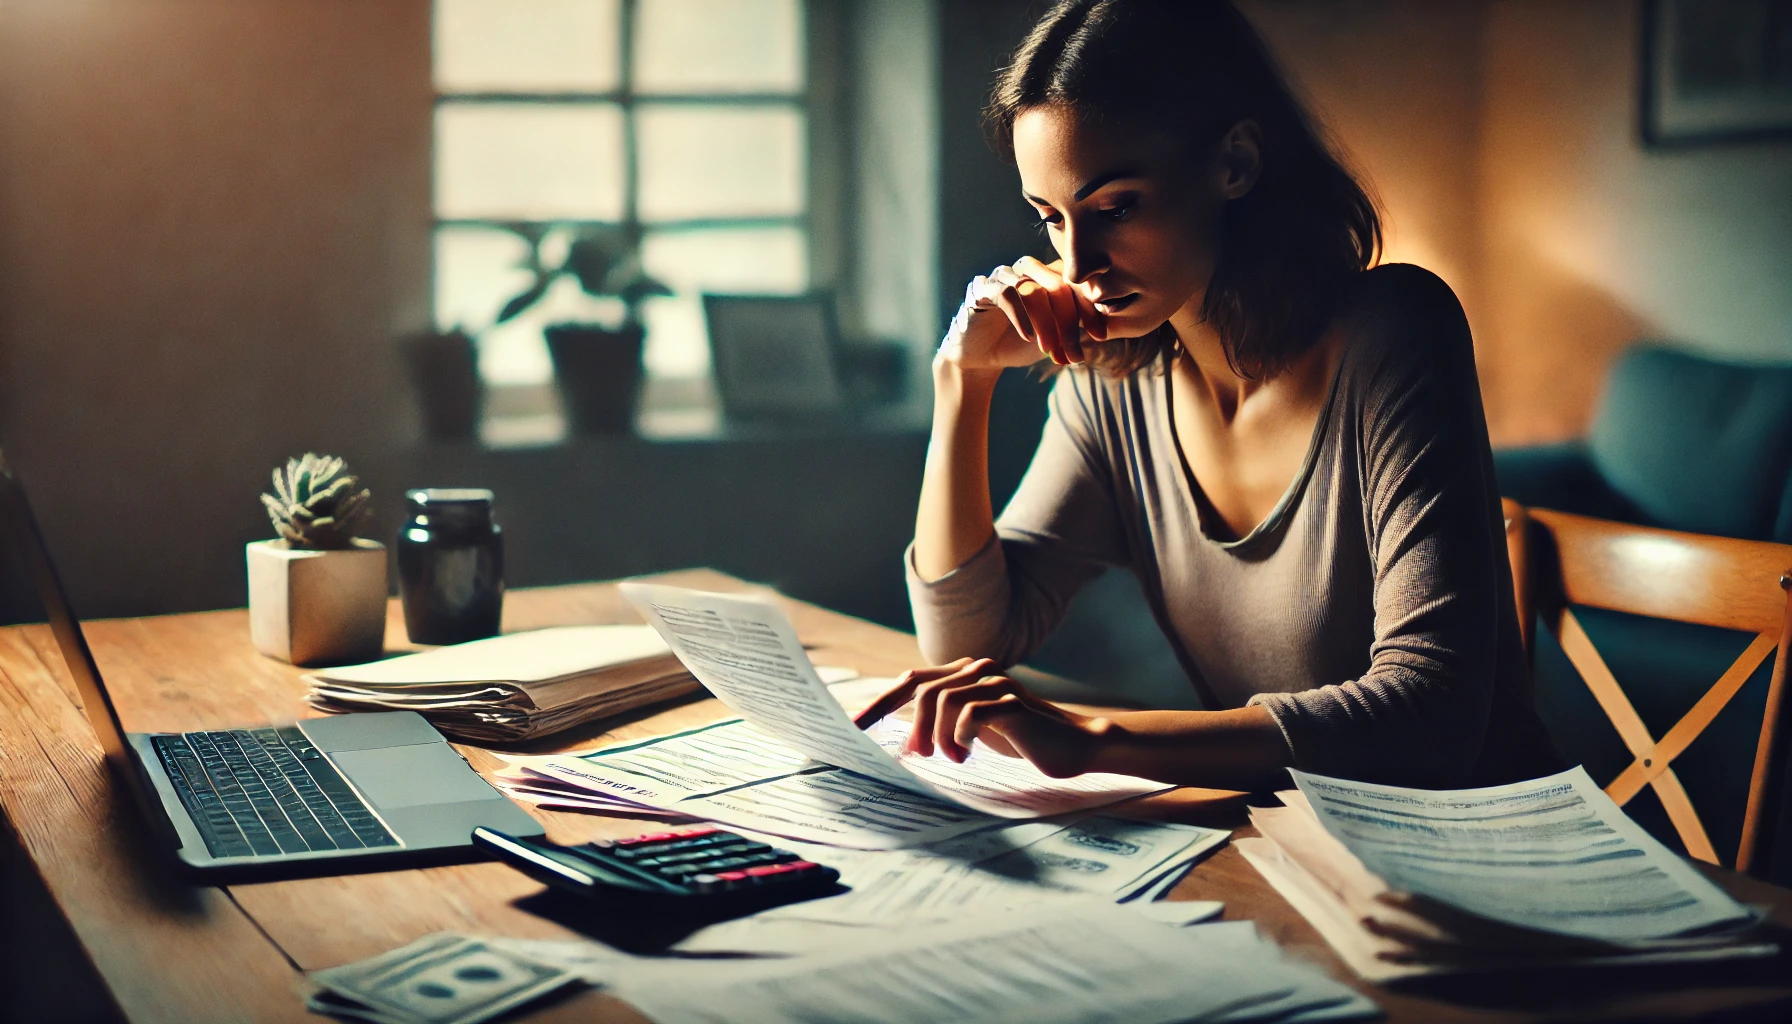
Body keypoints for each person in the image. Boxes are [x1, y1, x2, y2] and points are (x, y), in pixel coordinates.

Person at [860, 0, 1559, 791]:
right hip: (1294, 847)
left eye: (1116, 207)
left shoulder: (1394, 331)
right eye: (1052, 218)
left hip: (1491, 854)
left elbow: (1431, 721)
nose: (1079, 260)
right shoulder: (1113, 391)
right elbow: (967, 639)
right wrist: (965, 379)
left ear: (1236, 163)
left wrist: (1095, 739)